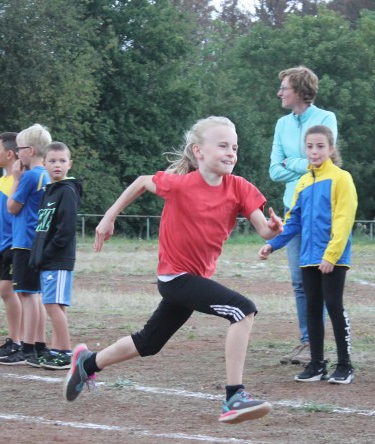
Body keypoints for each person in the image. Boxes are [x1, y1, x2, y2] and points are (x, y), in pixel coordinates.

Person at [64, 116, 283, 424]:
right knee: (242, 310)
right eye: (222, 146)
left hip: (194, 280)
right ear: (199, 152)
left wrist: (273, 229)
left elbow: (263, 229)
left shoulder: (240, 188)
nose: (231, 153)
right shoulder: (181, 184)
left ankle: (87, 363)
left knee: (149, 342)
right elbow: (142, 181)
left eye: (234, 147)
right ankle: (234, 396)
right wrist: (108, 217)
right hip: (176, 278)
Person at [259, 125, 357, 384]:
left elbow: (344, 221)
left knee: (334, 306)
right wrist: (273, 244)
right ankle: (317, 364)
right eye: (310, 147)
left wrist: (331, 256)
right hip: (308, 258)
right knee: (312, 309)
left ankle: (345, 365)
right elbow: (294, 222)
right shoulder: (302, 182)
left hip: (332, 258)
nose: (314, 151)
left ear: (331, 149)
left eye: (320, 146)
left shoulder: (341, 178)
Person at [269, 66, 338, 365]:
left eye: (284, 88)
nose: (279, 93)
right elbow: (274, 171)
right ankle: (308, 341)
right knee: (299, 280)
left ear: (299, 90)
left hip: (320, 209)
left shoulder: (326, 119)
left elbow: (324, 161)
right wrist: (304, 163)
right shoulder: (281, 124)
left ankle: (318, 343)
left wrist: (292, 162)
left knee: (318, 277)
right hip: (293, 208)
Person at [0, 124, 51, 366]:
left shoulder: (29, 176)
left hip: (24, 242)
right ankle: (38, 344)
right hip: (37, 242)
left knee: (27, 296)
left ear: (30, 150)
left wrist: (16, 178)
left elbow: (12, 207)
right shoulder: (45, 174)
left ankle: (27, 348)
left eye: (19, 149)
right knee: (34, 295)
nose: (17, 153)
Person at [29, 142, 83, 370]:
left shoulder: (67, 191)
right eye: (52, 161)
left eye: (62, 161)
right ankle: (56, 349)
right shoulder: (50, 191)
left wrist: (47, 253)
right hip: (48, 259)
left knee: (52, 304)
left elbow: (65, 230)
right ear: (44, 164)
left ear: (70, 164)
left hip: (58, 259)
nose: (57, 165)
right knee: (54, 304)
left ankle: (66, 352)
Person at [0, 132, 24, 360]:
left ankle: (17, 341)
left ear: (10, 154)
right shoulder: (1, 181)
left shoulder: (21, 180)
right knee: (7, 292)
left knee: (8, 290)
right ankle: (15, 339)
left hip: (14, 244)